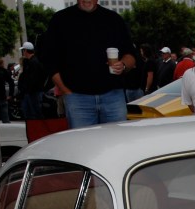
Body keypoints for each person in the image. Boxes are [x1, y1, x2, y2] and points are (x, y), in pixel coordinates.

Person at [39, 0, 136, 129]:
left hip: (113, 96)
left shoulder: (113, 19)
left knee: (117, 144)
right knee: (83, 146)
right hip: (77, 98)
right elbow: (48, 59)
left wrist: (123, 65)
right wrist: (65, 90)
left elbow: (131, 54)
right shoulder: (60, 20)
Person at [17, 42, 46, 119]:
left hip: (33, 93)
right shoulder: (34, 61)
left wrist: (26, 89)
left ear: (25, 51)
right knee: (33, 113)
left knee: (34, 114)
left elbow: (32, 79)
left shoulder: (32, 63)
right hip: (34, 92)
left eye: (23, 50)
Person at [0, 56, 13, 123]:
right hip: (2, 95)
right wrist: (10, 94)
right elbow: (11, 82)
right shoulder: (3, 71)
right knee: (5, 116)